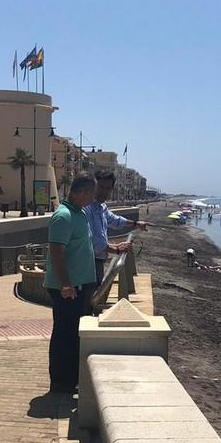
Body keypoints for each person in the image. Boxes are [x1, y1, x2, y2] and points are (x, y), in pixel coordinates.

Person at [44, 174, 97, 395]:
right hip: (67, 288)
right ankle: (60, 383)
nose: (94, 198)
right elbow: (57, 251)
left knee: (74, 334)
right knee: (64, 334)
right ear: (82, 192)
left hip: (80, 286)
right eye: (92, 194)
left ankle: (71, 380)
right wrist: (66, 284)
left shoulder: (80, 213)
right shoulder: (63, 216)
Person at [83, 169, 148, 285]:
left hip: (98, 262)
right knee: (88, 298)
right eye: (101, 187)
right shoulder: (87, 208)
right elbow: (94, 241)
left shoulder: (102, 207)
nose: (104, 192)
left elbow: (115, 221)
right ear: (93, 186)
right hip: (88, 264)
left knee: (93, 295)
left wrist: (136, 224)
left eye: (108, 188)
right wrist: (116, 249)